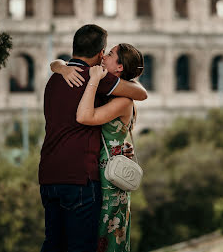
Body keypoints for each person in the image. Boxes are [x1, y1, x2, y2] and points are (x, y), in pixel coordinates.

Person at [39, 25, 147, 252]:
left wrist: (60, 66)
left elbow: (57, 63)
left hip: (49, 175)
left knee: (53, 244)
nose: (105, 57)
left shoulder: (54, 80)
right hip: (80, 176)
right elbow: (141, 93)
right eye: (106, 52)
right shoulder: (98, 80)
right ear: (99, 53)